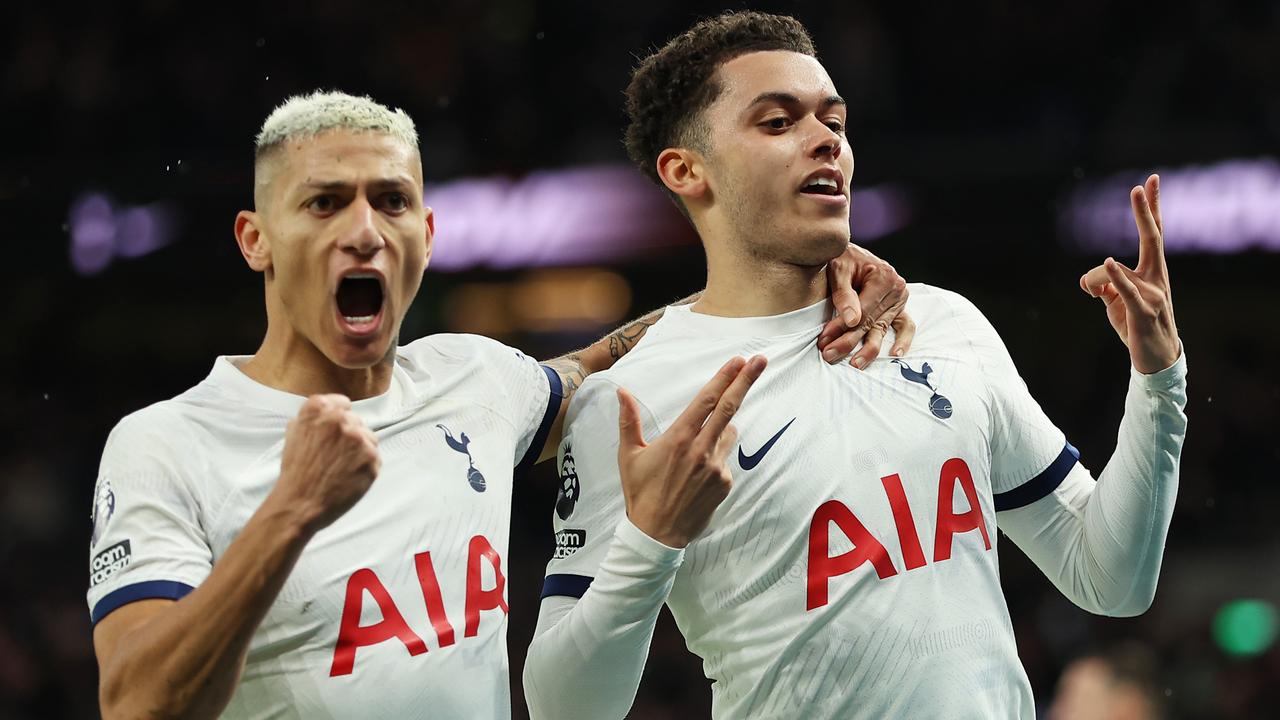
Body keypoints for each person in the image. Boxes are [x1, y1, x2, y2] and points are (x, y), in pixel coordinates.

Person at [85, 90, 911, 718]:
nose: (366, 230)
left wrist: (808, 277)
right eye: (325, 202)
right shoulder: (166, 444)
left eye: (392, 201)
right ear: (255, 238)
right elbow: (136, 702)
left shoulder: (473, 381)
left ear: (428, 235)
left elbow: (604, 359)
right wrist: (291, 511)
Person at [523, 11, 1188, 719]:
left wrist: (1159, 379)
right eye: (778, 123)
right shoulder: (633, 398)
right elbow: (565, 707)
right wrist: (650, 542)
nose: (825, 142)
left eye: (834, 122)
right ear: (687, 170)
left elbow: (1109, 576)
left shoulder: (938, 323)